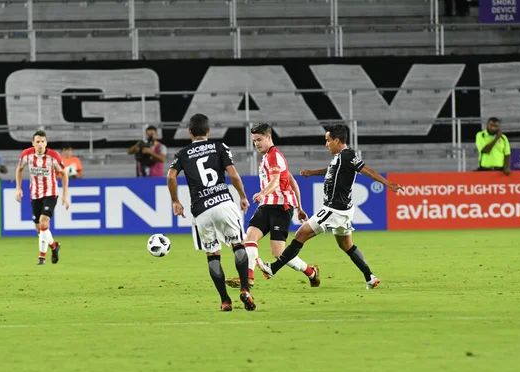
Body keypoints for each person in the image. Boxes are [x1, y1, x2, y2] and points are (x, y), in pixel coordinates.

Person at [257, 125, 403, 290]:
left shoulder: (347, 155)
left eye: (328, 140)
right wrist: (312, 173)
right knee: (346, 245)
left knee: (301, 234)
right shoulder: (339, 157)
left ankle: (272, 269)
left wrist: (387, 183)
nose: (326, 144)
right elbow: (330, 171)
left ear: (337, 140)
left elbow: (366, 170)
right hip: (344, 209)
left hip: (334, 209)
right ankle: (370, 277)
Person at [167, 113, 255, 312]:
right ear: (208, 130)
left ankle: (225, 301)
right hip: (224, 202)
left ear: (189, 131)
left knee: (213, 255)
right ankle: (244, 289)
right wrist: (242, 195)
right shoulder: (220, 147)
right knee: (237, 245)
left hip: (201, 210)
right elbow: (233, 174)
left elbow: (171, 176)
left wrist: (175, 200)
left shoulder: (182, 154)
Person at [225, 122, 319, 289]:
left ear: (269, 137)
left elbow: (276, 181)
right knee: (249, 237)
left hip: (281, 208)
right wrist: (299, 207)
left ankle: (311, 272)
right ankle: (248, 278)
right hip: (266, 206)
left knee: (278, 254)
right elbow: (292, 181)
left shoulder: (275, 156)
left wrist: (264, 193)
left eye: (259, 140)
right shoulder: (267, 157)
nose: (256, 144)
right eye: (254, 141)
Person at [15, 130, 70, 266]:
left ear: (46, 143)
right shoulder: (26, 155)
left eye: (43, 142)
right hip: (35, 194)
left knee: (44, 223)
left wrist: (65, 195)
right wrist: (18, 188)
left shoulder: (54, 156)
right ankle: (54, 246)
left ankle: (41, 258)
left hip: (50, 193)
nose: (40, 144)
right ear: (33, 143)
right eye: (37, 142)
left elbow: (64, 174)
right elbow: (19, 170)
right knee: (40, 229)